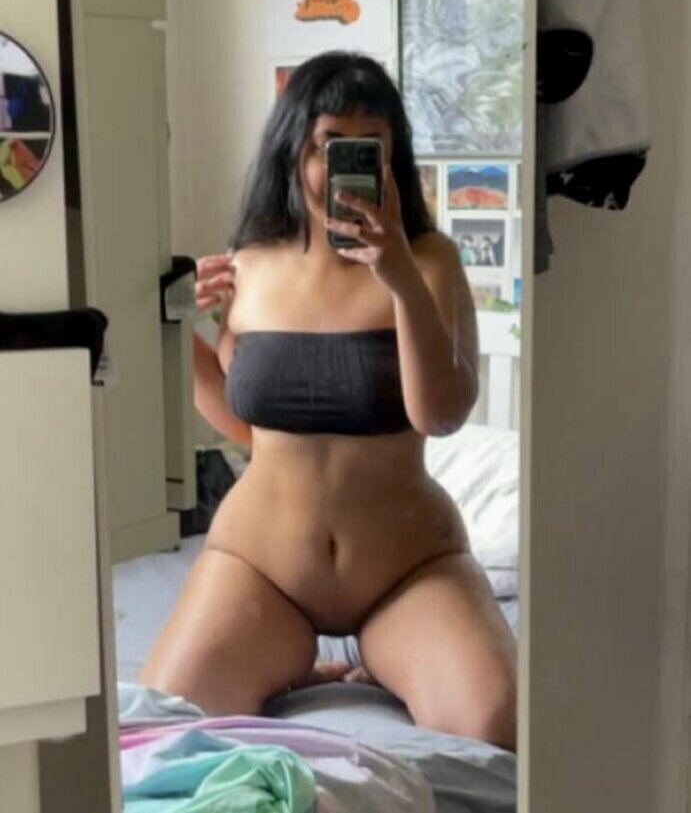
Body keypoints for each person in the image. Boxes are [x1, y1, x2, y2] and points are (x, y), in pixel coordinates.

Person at [138, 51, 517, 751]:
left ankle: (384, 657)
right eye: (329, 145)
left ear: (393, 158)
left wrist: (398, 276)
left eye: (370, 147)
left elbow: (440, 414)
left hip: (406, 570)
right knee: (163, 725)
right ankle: (294, 664)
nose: (346, 167)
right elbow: (246, 424)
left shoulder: (430, 260)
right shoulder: (249, 264)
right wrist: (172, 328)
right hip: (261, 567)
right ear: (294, 151)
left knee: (495, 723)